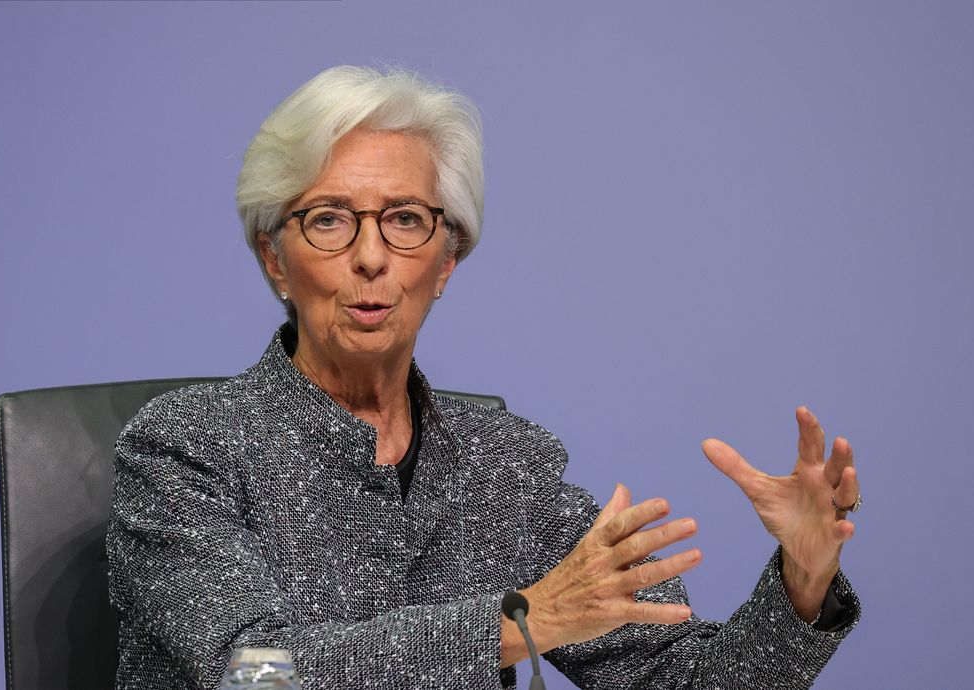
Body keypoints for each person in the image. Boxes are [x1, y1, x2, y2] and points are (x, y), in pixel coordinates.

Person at [106, 65, 862, 690]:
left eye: (405, 219)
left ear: (446, 262)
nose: (370, 257)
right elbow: (249, 673)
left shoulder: (506, 465)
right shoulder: (184, 446)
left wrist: (802, 583)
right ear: (274, 258)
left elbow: (676, 681)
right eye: (329, 218)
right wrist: (522, 620)